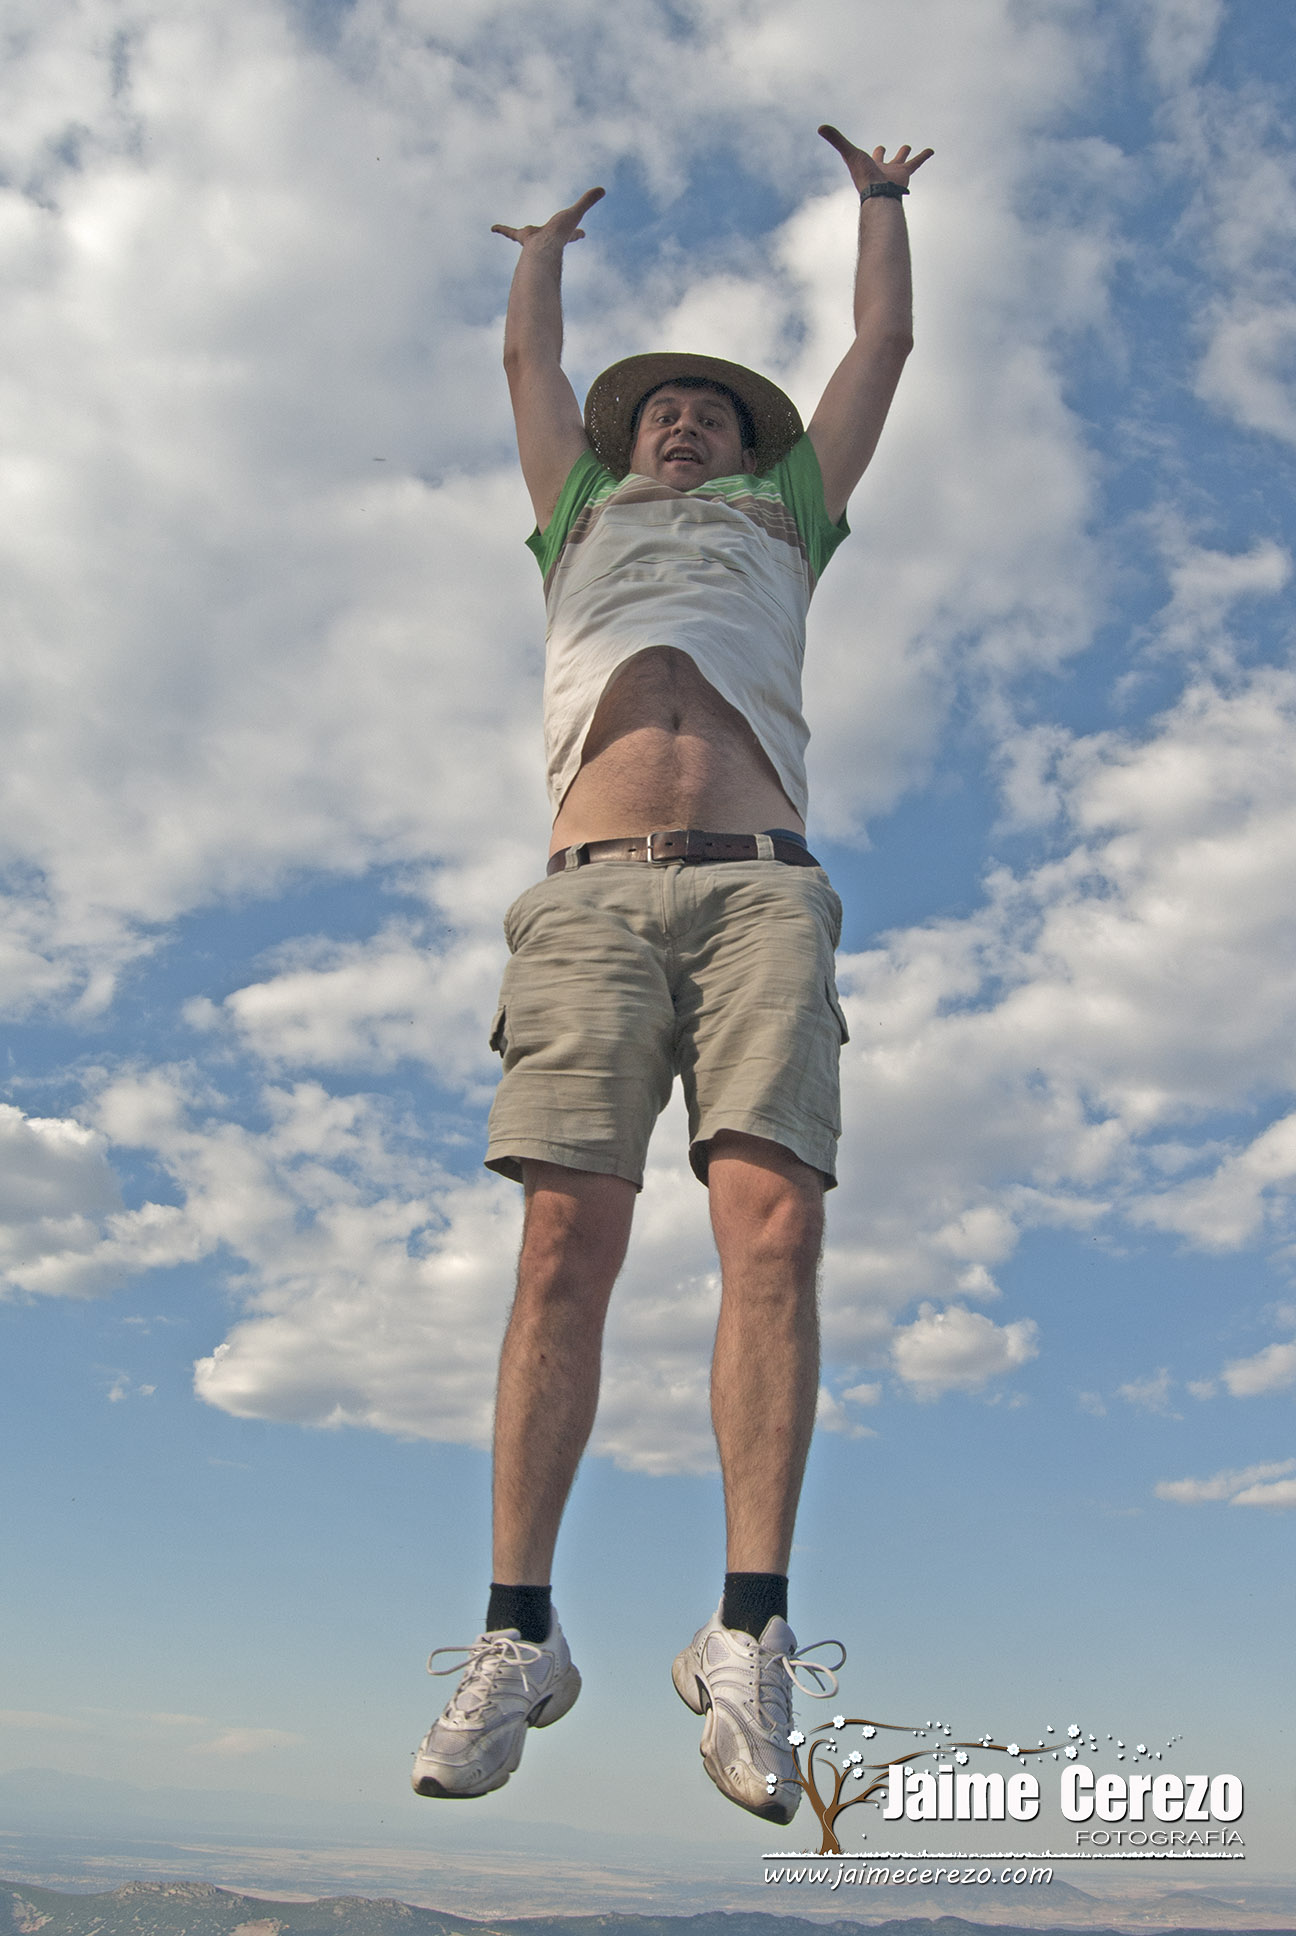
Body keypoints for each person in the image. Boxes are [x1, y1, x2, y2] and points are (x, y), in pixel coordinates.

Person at [411, 125, 931, 1823]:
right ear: (622, 441)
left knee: (777, 1232)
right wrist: (537, 253)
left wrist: (882, 204)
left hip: (763, 886)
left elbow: (881, 350)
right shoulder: (578, 515)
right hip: (586, 897)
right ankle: (517, 1636)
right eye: (663, 412)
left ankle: (747, 1634)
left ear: (749, 447)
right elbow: (529, 370)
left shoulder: (785, 518)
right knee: (564, 1242)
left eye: (712, 411)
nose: (685, 423)